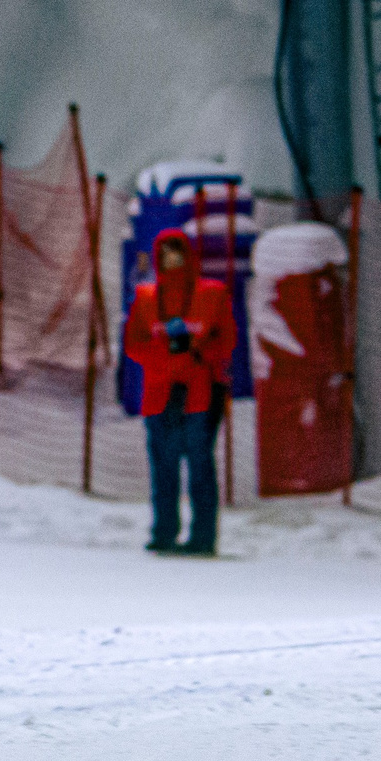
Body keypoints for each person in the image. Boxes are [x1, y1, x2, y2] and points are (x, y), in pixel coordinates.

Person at [122, 227, 233, 554]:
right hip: (160, 395)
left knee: (199, 465)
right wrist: (165, 357)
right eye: (166, 255)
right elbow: (133, 344)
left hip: (198, 393)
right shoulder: (144, 300)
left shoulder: (211, 295)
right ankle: (164, 532)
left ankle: (202, 536)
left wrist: (197, 354)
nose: (172, 262)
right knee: (164, 467)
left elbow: (226, 339)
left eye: (178, 254)